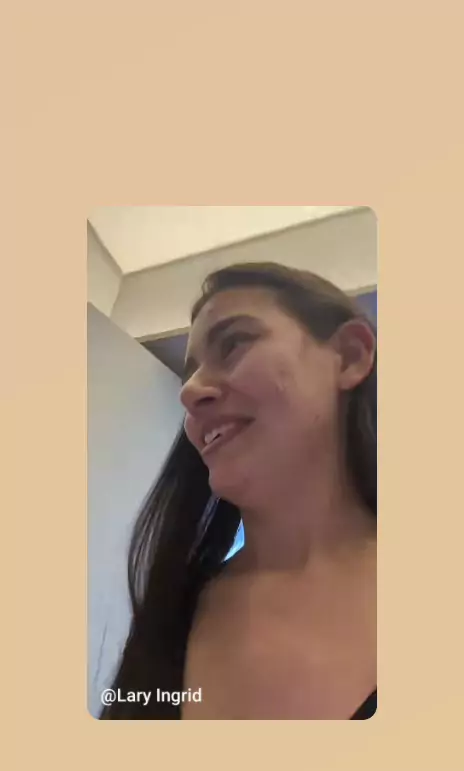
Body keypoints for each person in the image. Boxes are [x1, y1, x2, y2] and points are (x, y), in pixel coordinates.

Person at [100, 262, 377, 720]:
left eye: (233, 344)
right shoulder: (171, 615)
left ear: (349, 357)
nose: (189, 393)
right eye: (188, 376)